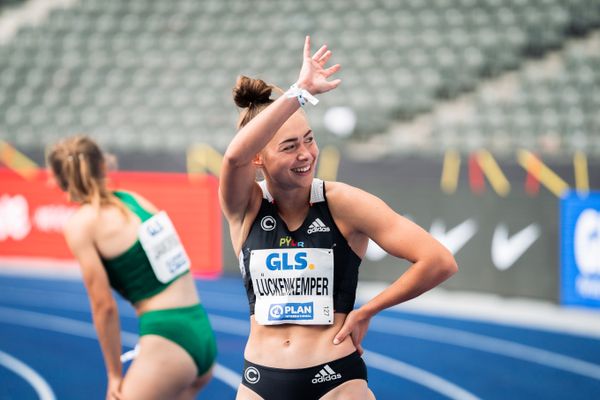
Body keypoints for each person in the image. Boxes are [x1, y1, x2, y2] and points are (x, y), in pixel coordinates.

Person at [219, 36, 458, 400]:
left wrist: (367, 311)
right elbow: (233, 159)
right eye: (289, 146)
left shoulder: (344, 202)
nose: (306, 154)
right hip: (259, 382)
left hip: (336, 382)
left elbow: (439, 261)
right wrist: (298, 92)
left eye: (309, 139)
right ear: (258, 159)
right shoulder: (245, 206)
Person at [47, 135, 217, 400]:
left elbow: (103, 306)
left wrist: (115, 374)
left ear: (59, 180)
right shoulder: (134, 201)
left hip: (168, 337)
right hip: (199, 328)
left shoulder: (82, 224)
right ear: (104, 165)